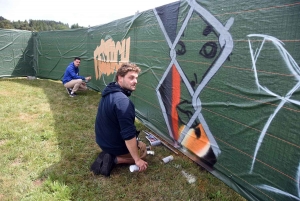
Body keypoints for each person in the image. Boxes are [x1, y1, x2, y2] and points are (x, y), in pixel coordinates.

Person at [90, 62, 148, 177]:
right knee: (143, 150)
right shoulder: (123, 102)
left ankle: (110, 154)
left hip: (101, 141)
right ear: (120, 78)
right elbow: (128, 134)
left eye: (136, 78)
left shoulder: (109, 90)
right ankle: (115, 159)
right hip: (113, 145)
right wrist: (137, 159)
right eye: (131, 78)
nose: (135, 81)